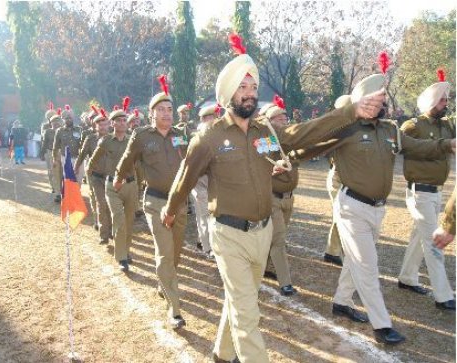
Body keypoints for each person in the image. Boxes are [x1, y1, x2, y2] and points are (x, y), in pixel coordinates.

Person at [161, 34, 386, 363]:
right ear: (228, 93)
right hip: (228, 234)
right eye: (243, 88)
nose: (250, 95)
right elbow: (185, 178)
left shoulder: (265, 131)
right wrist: (169, 210)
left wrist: (350, 111)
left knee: (242, 301)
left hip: (262, 233)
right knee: (248, 314)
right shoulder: (209, 137)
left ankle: (222, 355)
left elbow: (303, 133)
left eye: (253, 89)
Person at [296, 73, 455, 345]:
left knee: (356, 260)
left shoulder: (389, 129)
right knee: (367, 266)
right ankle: (381, 325)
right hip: (352, 206)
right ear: (365, 100)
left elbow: (415, 146)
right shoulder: (347, 128)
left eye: (384, 97)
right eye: (379, 97)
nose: (384, 102)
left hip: (377, 209)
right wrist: (286, 159)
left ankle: (342, 302)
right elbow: (306, 147)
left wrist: (447, 144)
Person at [113, 74, 189, 330]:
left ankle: (164, 284)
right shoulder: (142, 136)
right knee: (165, 253)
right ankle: (175, 310)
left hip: (179, 202)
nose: (167, 114)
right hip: (155, 202)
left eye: (170, 109)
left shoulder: (181, 135)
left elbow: (192, 161)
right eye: (161, 110)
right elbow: (126, 159)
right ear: (151, 113)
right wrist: (119, 178)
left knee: (176, 253)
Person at [397, 70, 456, 310]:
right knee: (434, 241)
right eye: (442, 99)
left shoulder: (447, 126)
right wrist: (441, 146)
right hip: (419, 192)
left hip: (436, 191)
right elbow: (401, 145)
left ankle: (407, 277)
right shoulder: (413, 125)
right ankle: (444, 295)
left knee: (417, 237)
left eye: (447, 99)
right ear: (431, 101)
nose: (446, 103)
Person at [89, 102, 138, 271]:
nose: (123, 123)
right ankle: (121, 257)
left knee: (130, 221)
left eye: (124, 120)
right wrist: (92, 176)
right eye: (119, 120)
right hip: (112, 187)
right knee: (119, 220)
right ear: (112, 123)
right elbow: (93, 160)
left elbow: (141, 161)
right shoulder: (106, 141)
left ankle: (126, 250)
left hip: (131, 184)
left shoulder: (134, 139)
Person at [261, 96, 299, 296]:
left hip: (289, 198)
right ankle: (285, 282)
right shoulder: (265, 142)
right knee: (279, 239)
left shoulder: (291, 140)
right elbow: (257, 165)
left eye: (285, 118)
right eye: (279, 119)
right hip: (272, 198)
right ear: (270, 122)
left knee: (273, 238)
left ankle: (264, 266)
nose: (284, 122)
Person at [323, 95, 351, 267]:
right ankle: (334, 251)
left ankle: (333, 251)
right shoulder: (337, 128)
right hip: (338, 177)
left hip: (347, 176)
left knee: (340, 215)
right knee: (341, 214)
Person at [76, 107, 111, 244]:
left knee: (110, 204)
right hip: (95, 176)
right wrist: (76, 167)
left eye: (105, 123)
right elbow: (82, 154)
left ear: (108, 125)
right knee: (101, 203)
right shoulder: (90, 139)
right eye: (99, 124)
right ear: (95, 126)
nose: (102, 126)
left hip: (111, 177)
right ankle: (104, 234)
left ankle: (111, 228)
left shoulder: (114, 138)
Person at [191, 104, 220, 257]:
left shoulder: (220, 136)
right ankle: (208, 248)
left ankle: (203, 241)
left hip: (215, 182)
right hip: (200, 181)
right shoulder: (198, 137)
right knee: (204, 215)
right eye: (213, 117)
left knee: (213, 215)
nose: (216, 119)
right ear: (204, 119)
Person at [53, 105, 83, 184]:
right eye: (66, 118)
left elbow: (83, 144)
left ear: (72, 119)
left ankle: (77, 195)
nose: (68, 120)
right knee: (68, 179)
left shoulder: (79, 129)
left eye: (70, 118)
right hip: (66, 159)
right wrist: (55, 159)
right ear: (63, 120)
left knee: (78, 179)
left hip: (78, 158)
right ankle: (69, 195)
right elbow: (55, 146)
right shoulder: (60, 131)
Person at [41, 109, 63, 200]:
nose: (56, 123)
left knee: (61, 173)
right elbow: (44, 142)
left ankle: (61, 190)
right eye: (54, 121)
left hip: (62, 153)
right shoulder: (47, 130)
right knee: (53, 172)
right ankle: (57, 192)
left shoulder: (63, 130)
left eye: (58, 121)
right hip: (50, 152)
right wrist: (42, 153)